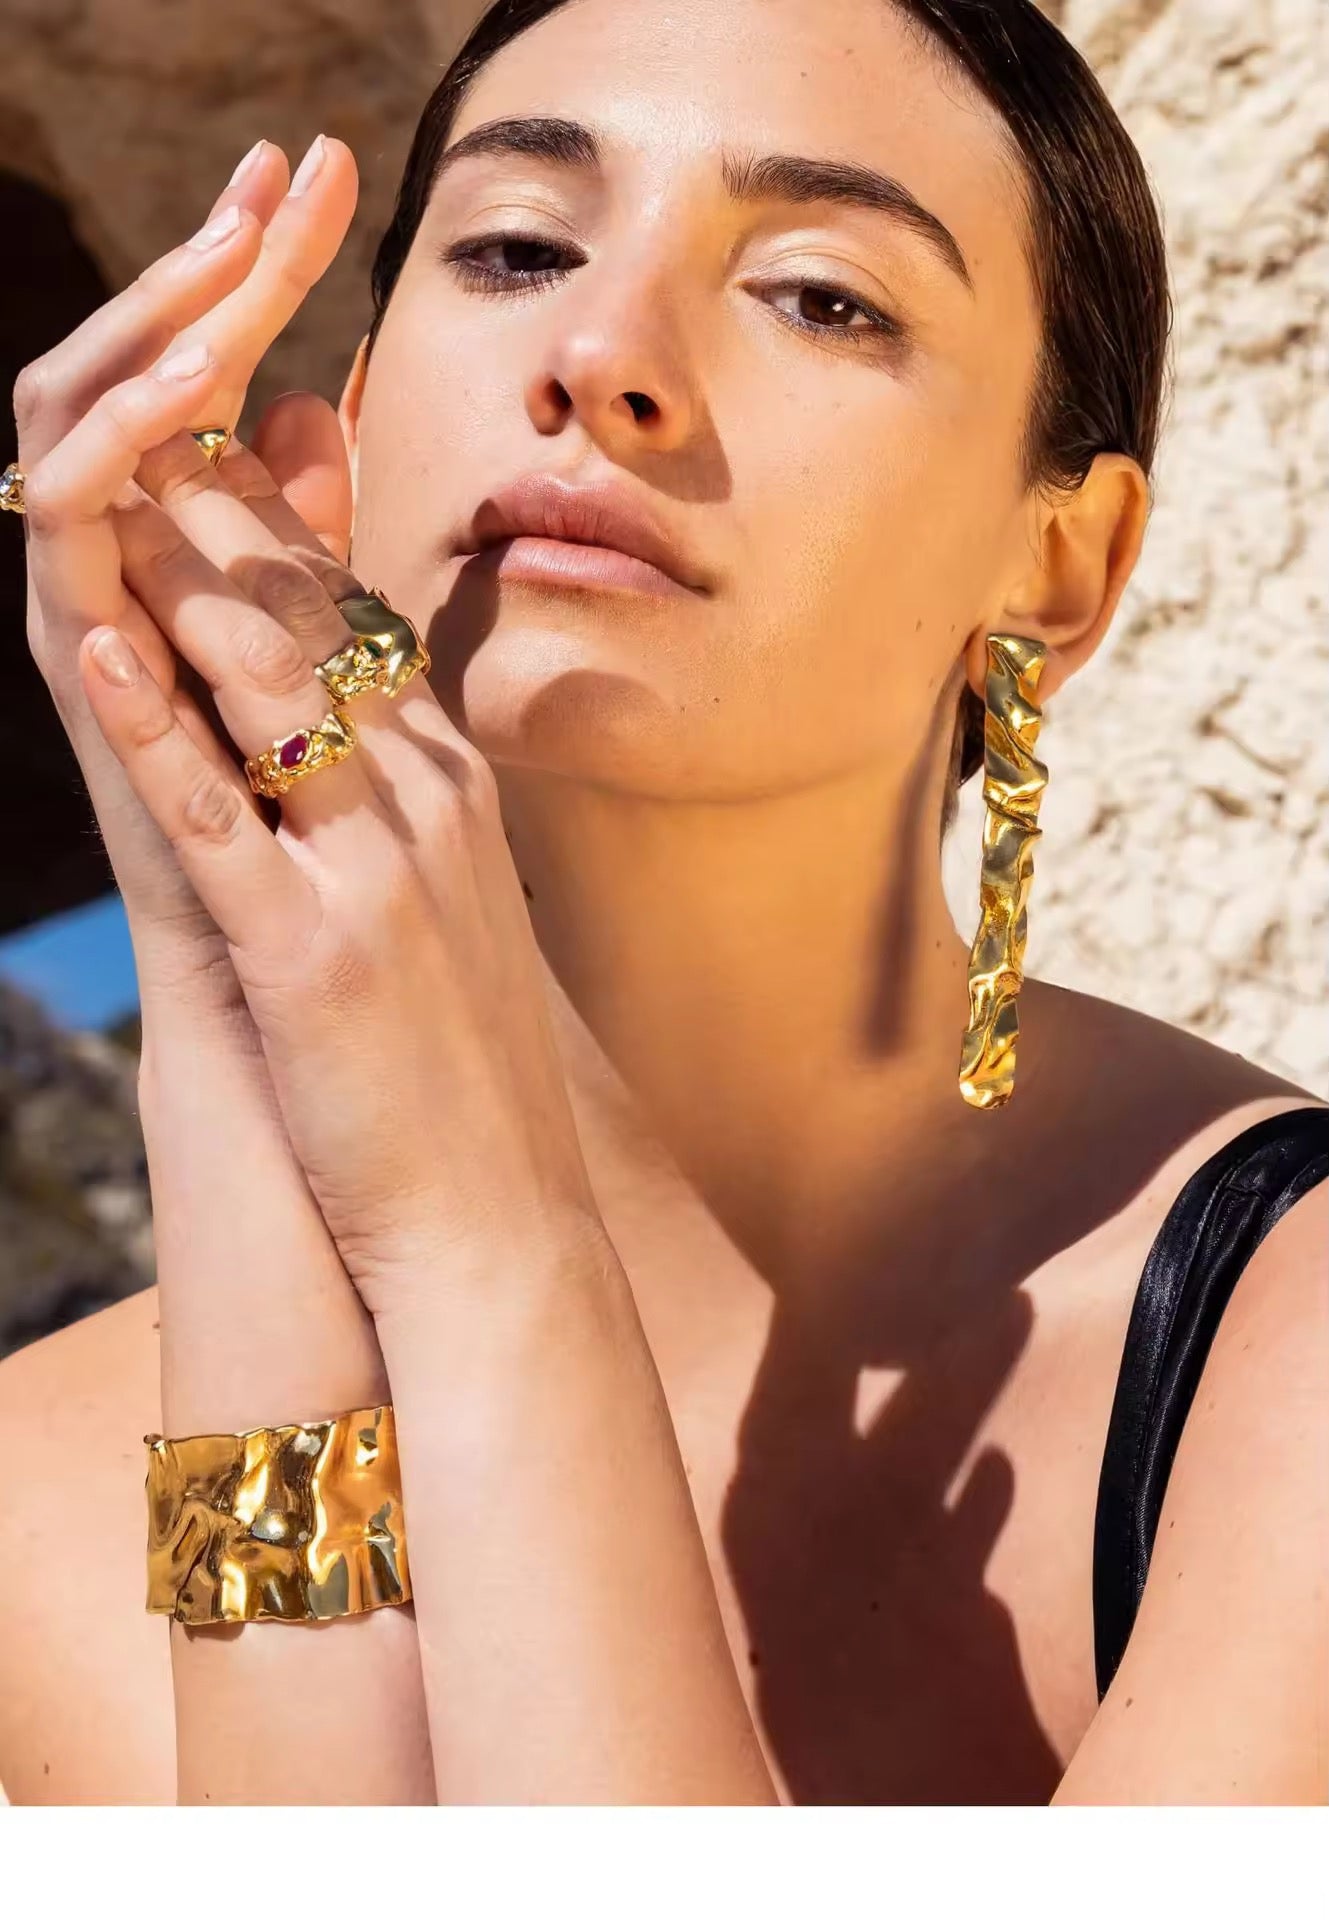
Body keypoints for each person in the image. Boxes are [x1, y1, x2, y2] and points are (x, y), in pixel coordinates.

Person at [0, 0, 1324, 1806]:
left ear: (1059, 563)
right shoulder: (35, 1512)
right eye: (516, 249)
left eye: (821, 296)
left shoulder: (1277, 1363)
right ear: (361, 420)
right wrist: (213, 1002)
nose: (603, 353)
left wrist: (486, 1237)